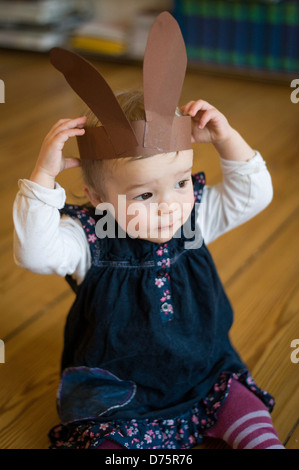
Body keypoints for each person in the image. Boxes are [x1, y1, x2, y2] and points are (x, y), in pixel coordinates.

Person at [13, 91, 285, 449]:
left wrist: (226, 137)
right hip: (119, 395)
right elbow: (33, 252)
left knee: (243, 406)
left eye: (180, 182)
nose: (169, 207)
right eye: (144, 196)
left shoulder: (194, 217)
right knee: (107, 444)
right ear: (97, 198)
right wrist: (43, 177)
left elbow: (254, 194)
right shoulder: (87, 239)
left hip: (203, 374)